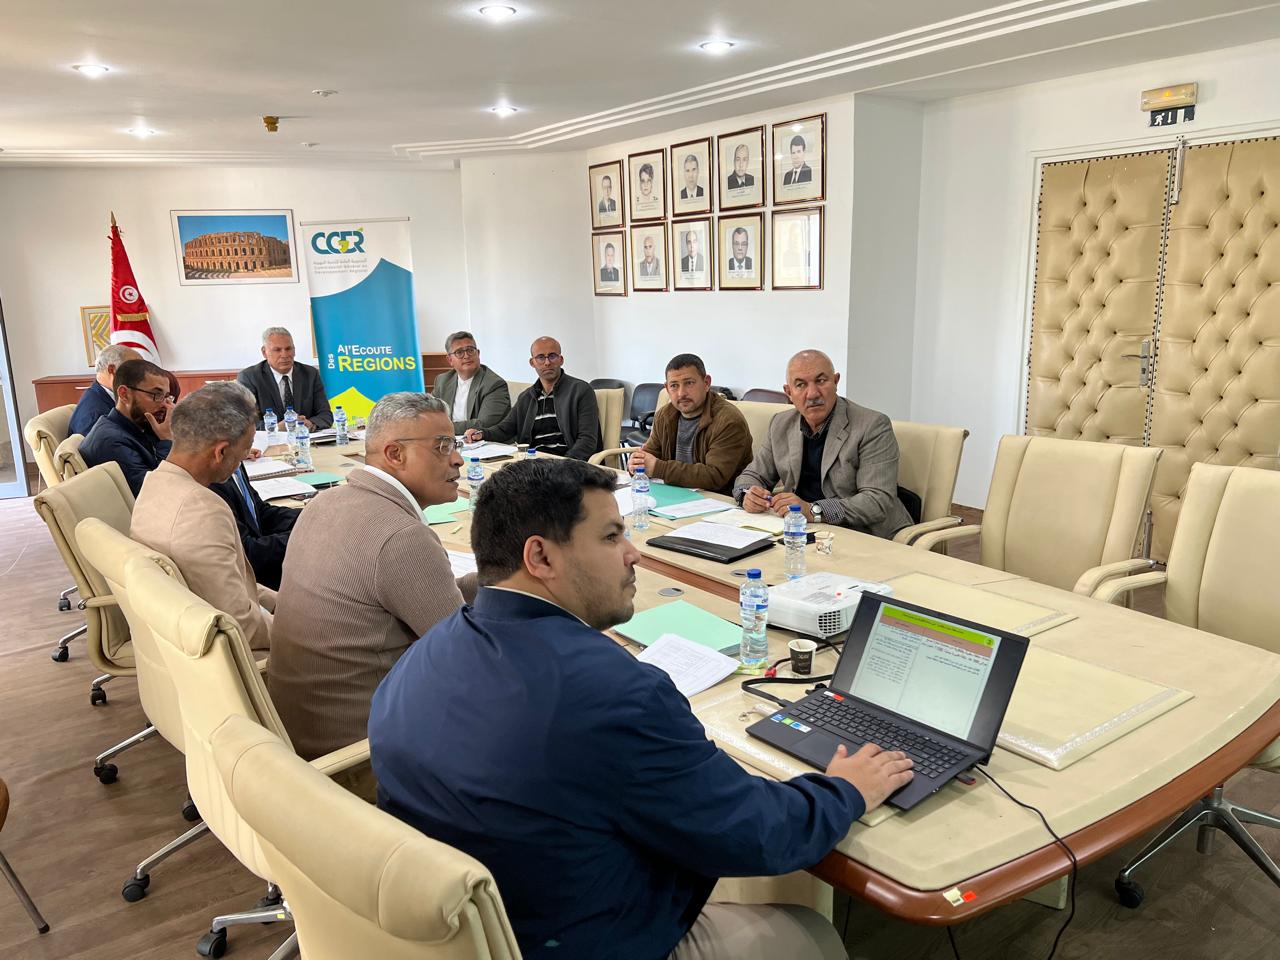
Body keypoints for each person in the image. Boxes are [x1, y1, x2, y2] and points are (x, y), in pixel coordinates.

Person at [369, 458, 913, 960]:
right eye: (611, 536)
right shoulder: (618, 694)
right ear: (541, 557)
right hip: (578, 936)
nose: (634, 553)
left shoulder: (422, 657)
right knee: (809, 934)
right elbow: (759, 834)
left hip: (457, 932)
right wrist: (845, 789)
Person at [270, 393, 477, 793]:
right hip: (363, 756)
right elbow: (469, 663)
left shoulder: (324, 502)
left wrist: (504, 580)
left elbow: (430, 598)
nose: (457, 460)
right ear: (395, 454)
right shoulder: (402, 537)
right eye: (442, 447)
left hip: (301, 737)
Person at [131, 382, 273, 651]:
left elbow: (230, 585)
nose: (244, 458)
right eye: (245, 449)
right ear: (221, 452)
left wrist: (289, 605)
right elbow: (243, 627)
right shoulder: (202, 510)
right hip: (235, 657)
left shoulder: (156, 483)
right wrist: (310, 631)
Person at [734, 350, 911, 538]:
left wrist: (813, 510)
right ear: (789, 392)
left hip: (864, 533)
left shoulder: (872, 425)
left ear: (835, 381)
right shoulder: (780, 423)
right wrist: (748, 495)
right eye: (800, 385)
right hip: (804, 530)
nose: (812, 394)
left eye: (821, 381)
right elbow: (752, 475)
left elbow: (876, 501)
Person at [629, 354, 752, 496]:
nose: (681, 393)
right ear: (667, 389)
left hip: (718, 500)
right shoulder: (664, 415)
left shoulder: (728, 420)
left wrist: (658, 468)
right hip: (676, 495)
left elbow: (715, 476)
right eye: (674, 386)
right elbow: (650, 455)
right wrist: (636, 464)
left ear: (706, 383)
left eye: (689, 383)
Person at [463, 337, 601, 460]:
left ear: (561, 360)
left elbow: (587, 441)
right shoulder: (527, 397)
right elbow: (505, 429)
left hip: (570, 464)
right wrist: (481, 434)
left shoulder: (580, 390)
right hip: (534, 463)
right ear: (532, 362)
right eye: (541, 357)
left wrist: (563, 465)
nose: (547, 362)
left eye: (552, 356)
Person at [80, 358, 175, 496]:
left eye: (167, 397)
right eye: (156, 395)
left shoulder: (140, 424)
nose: (165, 405)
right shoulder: (111, 440)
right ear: (124, 394)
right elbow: (153, 493)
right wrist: (167, 441)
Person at [209, 458, 299, 591]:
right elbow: (247, 553)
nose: (249, 453)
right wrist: (302, 536)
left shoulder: (236, 462)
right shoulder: (212, 480)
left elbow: (260, 513)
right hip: (254, 583)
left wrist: (311, 516)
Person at [237, 326, 333, 430]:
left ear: (294, 350)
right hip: (270, 438)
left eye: (288, 349)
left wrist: (309, 423)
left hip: (305, 437)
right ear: (264, 352)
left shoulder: (310, 374)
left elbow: (325, 415)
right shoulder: (250, 377)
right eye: (277, 350)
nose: (284, 355)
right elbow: (246, 422)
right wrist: (276, 427)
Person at [431, 331, 511, 433]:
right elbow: (430, 415)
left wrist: (443, 427)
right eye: (459, 352)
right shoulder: (443, 381)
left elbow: (484, 424)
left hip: (482, 440)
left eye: (470, 350)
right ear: (450, 360)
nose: (466, 356)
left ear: (478, 353)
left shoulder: (494, 384)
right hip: (448, 438)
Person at [69, 344, 141, 436]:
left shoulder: (105, 396)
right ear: (112, 370)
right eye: (135, 371)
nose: (142, 377)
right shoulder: (95, 416)